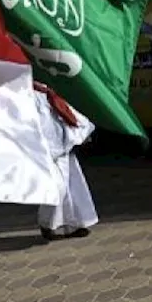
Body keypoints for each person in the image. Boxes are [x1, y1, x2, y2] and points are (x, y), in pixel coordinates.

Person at [33, 82, 99, 241]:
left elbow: (64, 111)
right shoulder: (23, 96)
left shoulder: (44, 91)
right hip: (47, 151)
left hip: (63, 146)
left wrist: (81, 130)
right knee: (57, 188)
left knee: (74, 187)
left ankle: (73, 226)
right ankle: (47, 225)